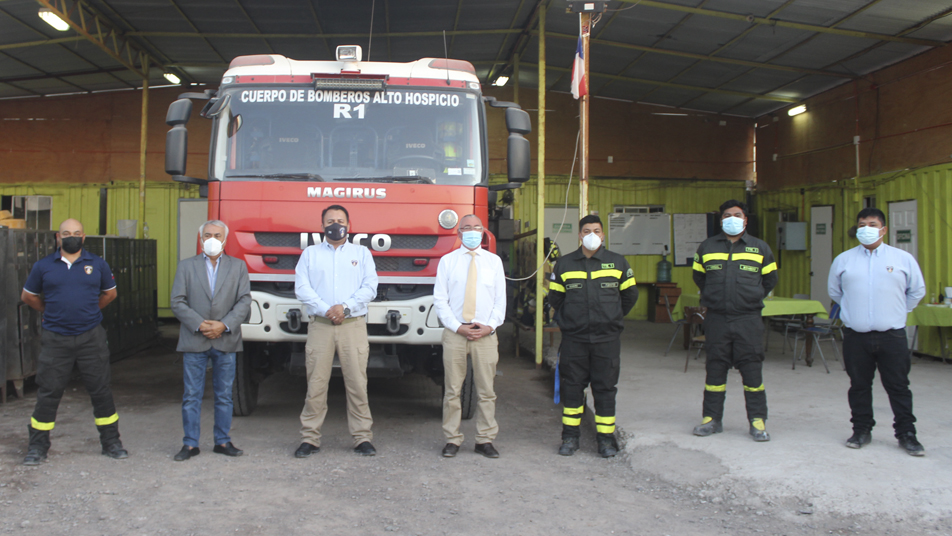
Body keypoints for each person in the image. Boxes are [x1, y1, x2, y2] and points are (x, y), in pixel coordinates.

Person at [20, 218, 125, 465]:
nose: (71, 236)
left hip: (91, 337)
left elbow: (110, 294)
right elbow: (28, 296)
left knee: (100, 391)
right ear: (58, 237)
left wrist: (90, 312)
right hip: (56, 339)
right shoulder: (44, 266)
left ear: (84, 236)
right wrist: (49, 310)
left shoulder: (97, 264)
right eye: (66, 233)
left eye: (76, 232)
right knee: (49, 391)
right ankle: (37, 447)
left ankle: (111, 443)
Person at [828, 208, 926, 456]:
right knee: (859, 386)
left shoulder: (902, 259)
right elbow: (836, 293)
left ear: (883, 229)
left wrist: (896, 311)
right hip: (856, 336)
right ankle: (861, 430)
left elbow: (916, 291)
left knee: (899, 386)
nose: (866, 228)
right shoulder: (844, 260)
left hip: (891, 336)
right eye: (862, 224)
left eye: (872, 224)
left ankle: (906, 434)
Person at [548, 215, 638, 457]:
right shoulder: (565, 264)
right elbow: (555, 298)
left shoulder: (617, 263)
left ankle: (606, 441)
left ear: (603, 235)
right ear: (579, 235)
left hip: (606, 340)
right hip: (575, 340)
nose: (591, 235)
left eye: (596, 230)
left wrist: (612, 317)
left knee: (605, 389)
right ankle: (570, 438)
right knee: (573, 388)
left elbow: (630, 296)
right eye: (586, 230)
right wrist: (570, 321)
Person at [293, 205, 378, 457]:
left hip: (353, 325)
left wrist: (345, 307)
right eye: (330, 220)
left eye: (340, 220)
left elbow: (370, 287)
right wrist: (326, 309)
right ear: (322, 226)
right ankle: (310, 438)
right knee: (316, 384)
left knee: (357, 383)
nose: (335, 224)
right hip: (321, 325)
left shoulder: (361, 253)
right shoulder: (309, 254)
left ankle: (362, 437)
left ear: (348, 225)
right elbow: (302, 288)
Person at [691, 200, 778, 442]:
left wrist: (750, 298)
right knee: (715, 370)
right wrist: (717, 297)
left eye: (737, 214)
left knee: (752, 372)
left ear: (745, 220)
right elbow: (700, 277)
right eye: (727, 215)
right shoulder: (707, 247)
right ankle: (711, 419)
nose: (732, 218)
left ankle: (757, 421)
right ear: (721, 220)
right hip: (717, 318)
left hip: (748, 319)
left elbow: (770, 280)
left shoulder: (760, 248)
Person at [169, 220, 252, 461]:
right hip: (195, 339)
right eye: (207, 235)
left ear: (225, 239)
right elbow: (177, 301)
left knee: (224, 395)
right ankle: (190, 444)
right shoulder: (186, 266)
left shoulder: (238, 267)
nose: (212, 239)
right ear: (200, 238)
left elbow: (244, 301)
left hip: (226, 340)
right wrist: (200, 324)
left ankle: (223, 441)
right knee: (191, 395)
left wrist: (224, 325)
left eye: (217, 234)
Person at [433, 215, 507, 458]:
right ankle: (452, 439)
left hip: (485, 334)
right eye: (467, 228)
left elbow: (500, 301)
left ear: (483, 231)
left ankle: (484, 440)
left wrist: (490, 326)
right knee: (452, 390)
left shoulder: (494, 262)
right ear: (459, 233)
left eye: (477, 227)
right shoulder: (447, 261)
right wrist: (456, 326)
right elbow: (440, 300)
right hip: (456, 333)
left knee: (487, 390)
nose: (472, 231)